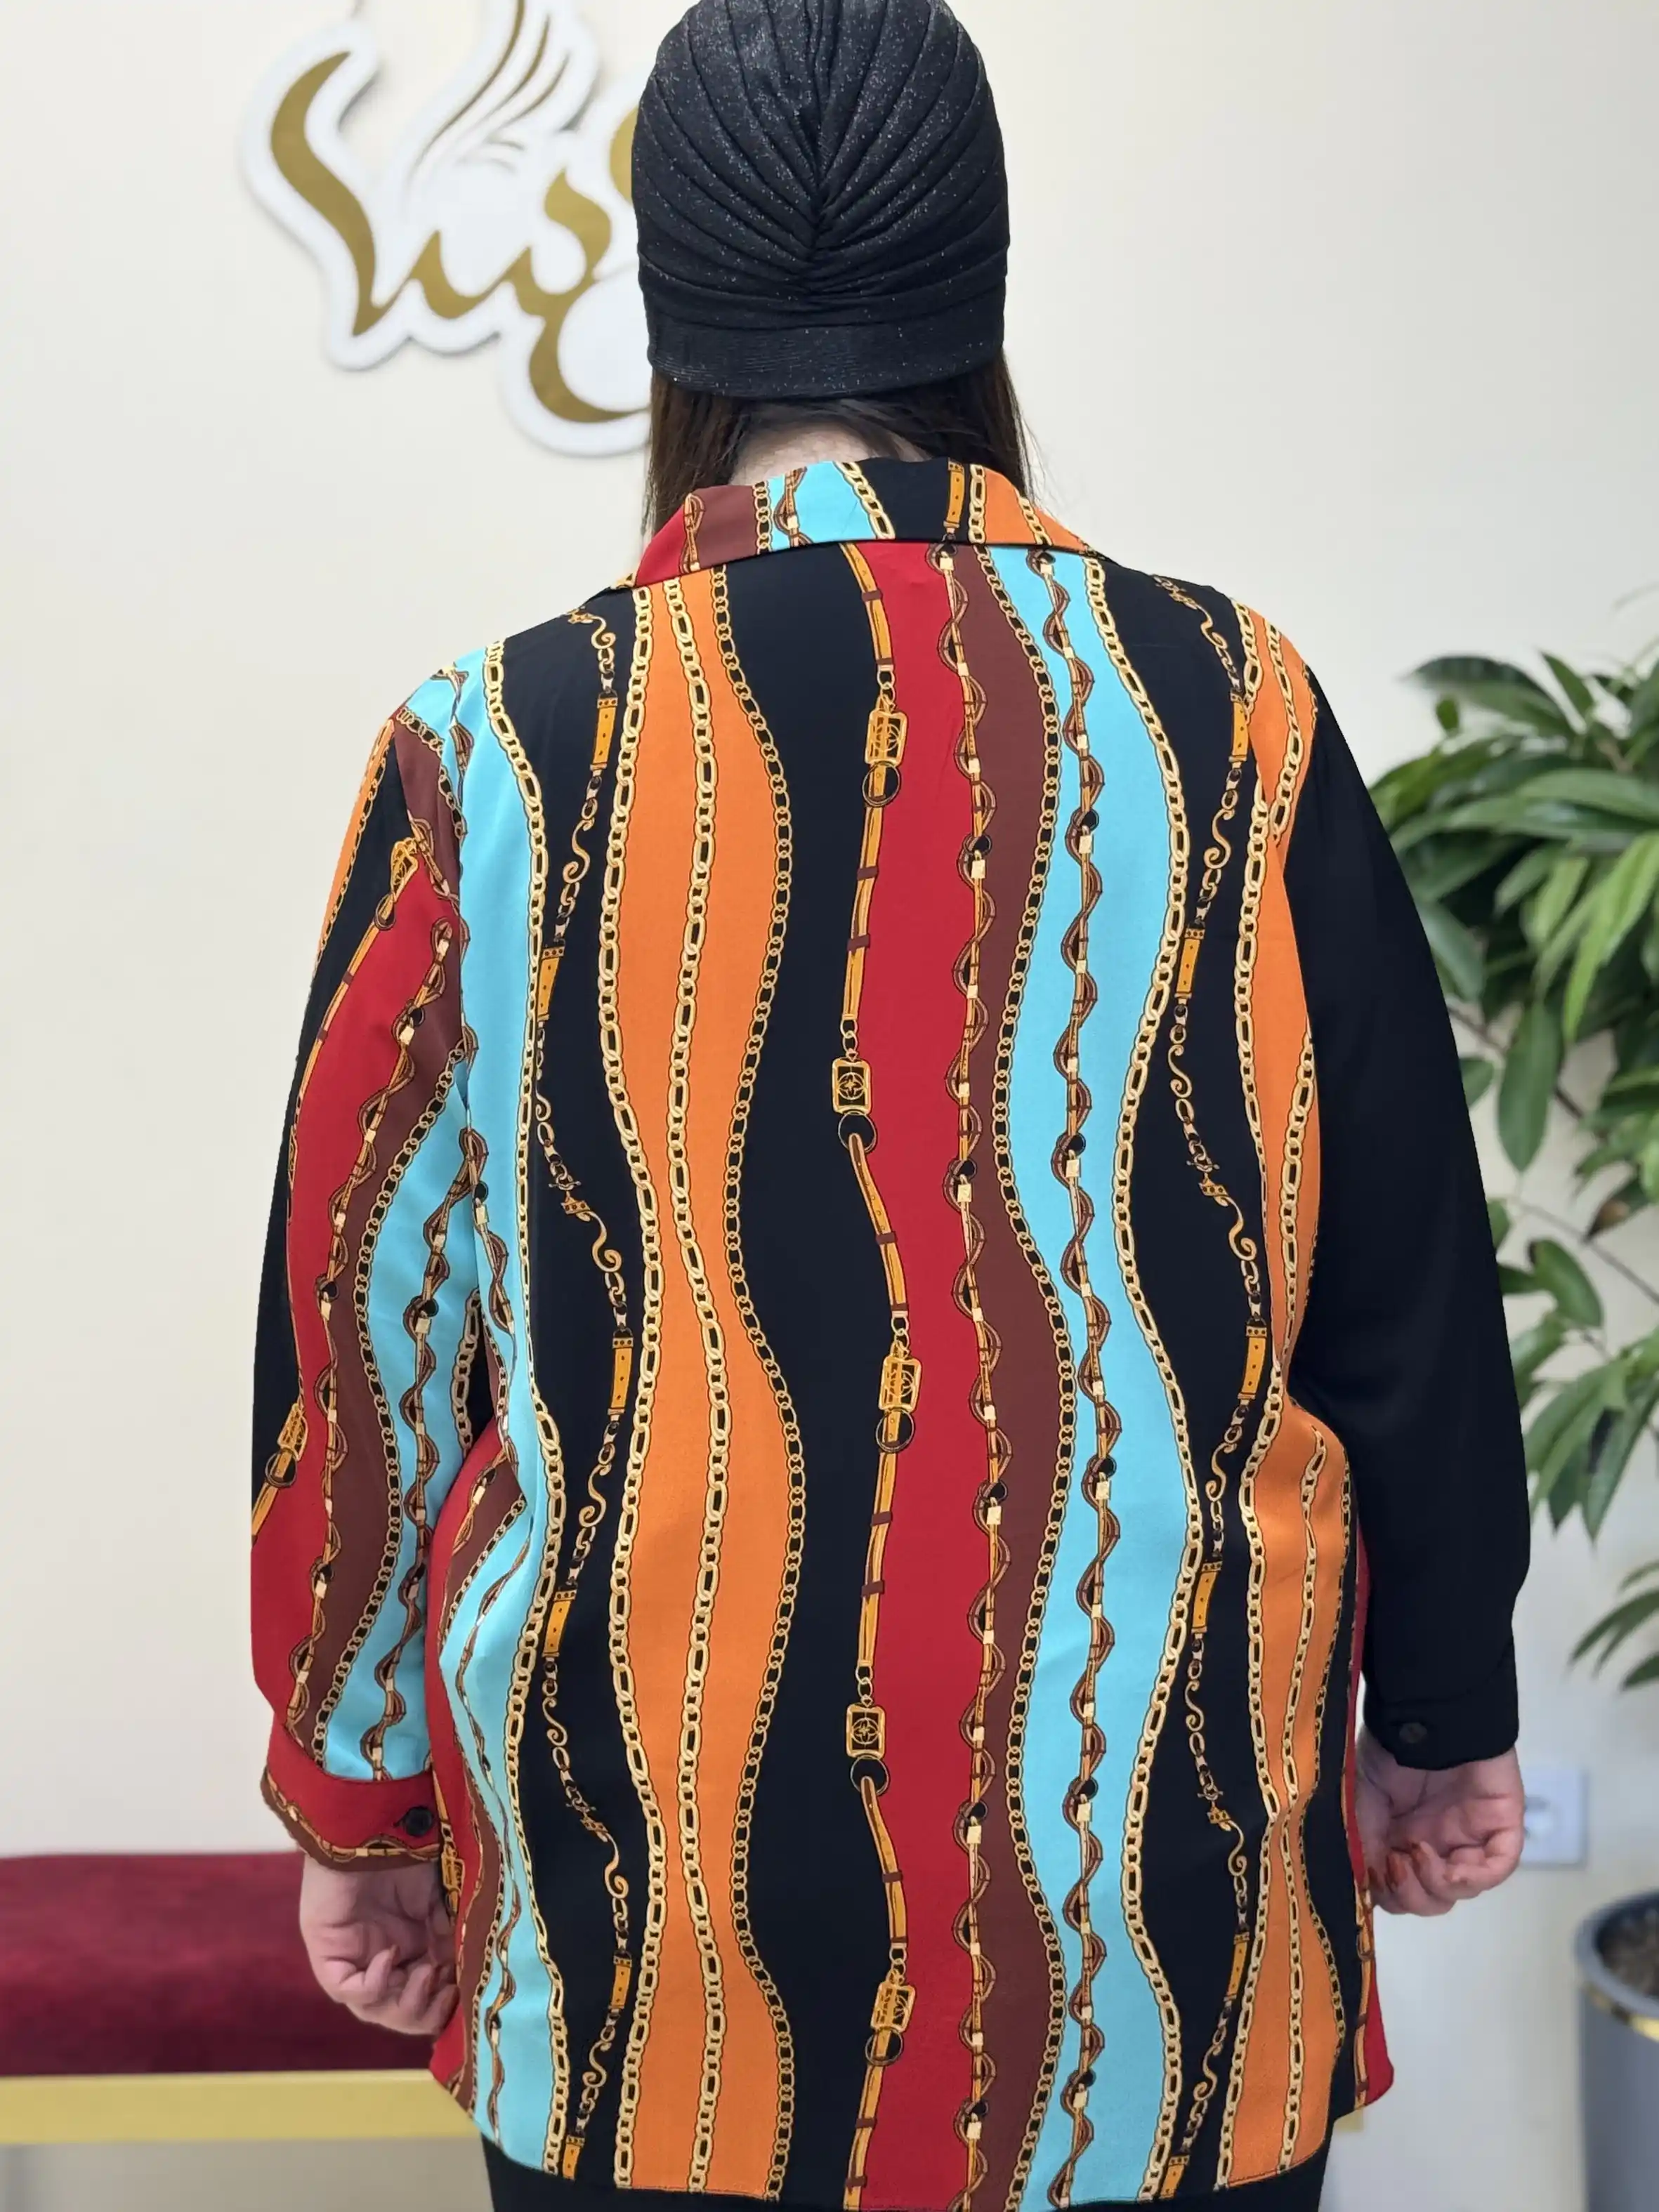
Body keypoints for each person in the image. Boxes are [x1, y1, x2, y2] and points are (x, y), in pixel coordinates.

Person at [251, 3, 1531, 2206]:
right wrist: (1439, 1707)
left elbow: (366, 1331)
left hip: (643, 1939)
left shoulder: (494, 747)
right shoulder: (1234, 707)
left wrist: (360, 1796)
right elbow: (1400, 1273)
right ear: (981, 290)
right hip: (1160, 1928)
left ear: (671, 318)